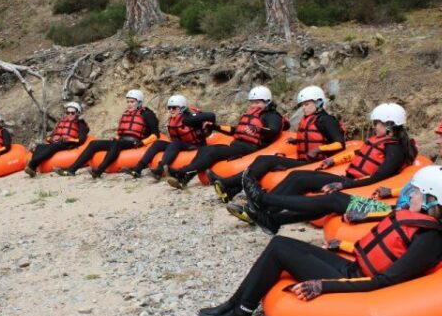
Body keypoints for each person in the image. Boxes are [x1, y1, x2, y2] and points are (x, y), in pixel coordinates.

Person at [199, 165, 442, 316]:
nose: (411, 196)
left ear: (432, 199)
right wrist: (346, 246)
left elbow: (386, 280)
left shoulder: (429, 239)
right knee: (280, 243)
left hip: (355, 280)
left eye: (417, 193)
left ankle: (240, 315)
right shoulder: (425, 226)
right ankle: (233, 306)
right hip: (353, 267)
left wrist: (324, 286)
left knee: (280, 250)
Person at [232, 115, 442, 235]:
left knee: (335, 199)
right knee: (333, 200)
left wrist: (396, 207)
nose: (438, 141)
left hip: (395, 214)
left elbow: (439, 209)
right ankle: (272, 217)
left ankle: (264, 201)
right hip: (397, 208)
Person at [228, 103, 415, 227]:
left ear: (389, 125)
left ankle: (261, 203)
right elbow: (359, 153)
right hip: (350, 179)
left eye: (377, 123)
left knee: (315, 190)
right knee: (297, 176)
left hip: (359, 186)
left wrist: (344, 184)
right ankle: (262, 212)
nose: (374, 127)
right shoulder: (381, 141)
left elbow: (379, 177)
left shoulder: (395, 149)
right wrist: (333, 160)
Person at [209, 85, 345, 203]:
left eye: (307, 104)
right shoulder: (312, 119)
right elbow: (313, 138)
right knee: (264, 160)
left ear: (319, 102)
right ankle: (231, 190)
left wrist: (319, 149)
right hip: (304, 160)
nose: (303, 108)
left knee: (266, 161)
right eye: (302, 105)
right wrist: (297, 141)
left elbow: (340, 144)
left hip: (316, 163)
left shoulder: (326, 120)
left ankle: (227, 183)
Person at [165, 86, 287, 189]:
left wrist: (258, 129)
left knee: (213, 151)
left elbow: (273, 131)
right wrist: (215, 127)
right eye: (252, 102)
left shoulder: (272, 116)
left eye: (257, 102)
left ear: (267, 101)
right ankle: (186, 176)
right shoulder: (254, 114)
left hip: (251, 148)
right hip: (238, 144)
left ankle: (182, 173)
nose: (254, 105)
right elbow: (235, 131)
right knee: (205, 149)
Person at [55, 90, 159, 178]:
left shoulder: (147, 114)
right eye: (128, 102)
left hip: (134, 142)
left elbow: (156, 134)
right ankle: (72, 170)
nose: (129, 104)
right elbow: (123, 131)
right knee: (94, 144)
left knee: (116, 144)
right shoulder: (126, 114)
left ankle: (98, 171)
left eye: (132, 102)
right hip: (121, 141)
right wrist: (116, 137)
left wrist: (142, 142)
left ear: (139, 102)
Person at [121, 95, 215, 181]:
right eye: (169, 108)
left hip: (196, 145)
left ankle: (160, 169)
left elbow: (211, 116)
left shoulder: (189, 119)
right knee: (158, 143)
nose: (171, 110)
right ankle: (138, 169)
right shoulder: (174, 119)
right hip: (182, 144)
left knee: (175, 143)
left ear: (182, 108)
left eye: (174, 108)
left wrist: (201, 115)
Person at [25, 102, 89, 177]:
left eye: (72, 113)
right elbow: (54, 134)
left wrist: (69, 139)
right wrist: (52, 139)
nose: (70, 115)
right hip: (58, 142)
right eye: (68, 113)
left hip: (68, 144)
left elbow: (81, 139)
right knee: (39, 146)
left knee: (53, 146)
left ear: (77, 113)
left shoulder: (80, 123)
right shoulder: (62, 122)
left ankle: (31, 164)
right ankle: (33, 169)